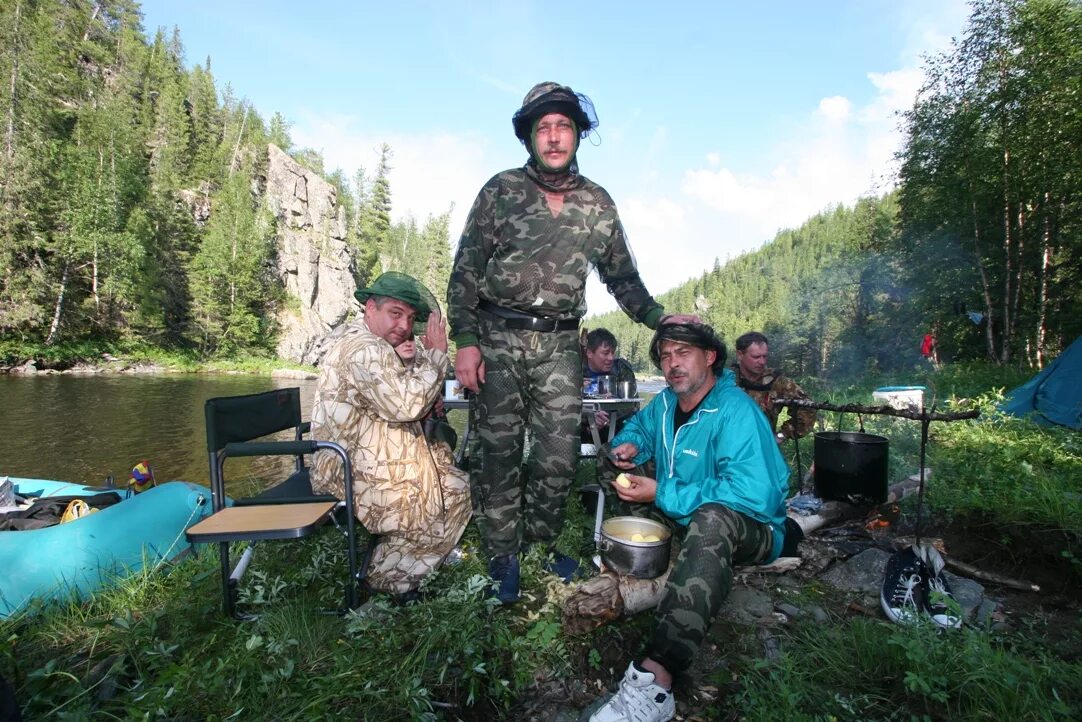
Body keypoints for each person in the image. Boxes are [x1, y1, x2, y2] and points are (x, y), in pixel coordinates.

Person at [447, 81, 668, 602]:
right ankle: (503, 552)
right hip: (498, 337)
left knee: (558, 455)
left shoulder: (597, 203)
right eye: (542, 127)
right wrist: (465, 341)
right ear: (528, 136)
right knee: (495, 451)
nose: (553, 136)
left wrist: (661, 317)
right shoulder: (499, 191)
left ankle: (542, 543)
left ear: (577, 133)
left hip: (561, 347)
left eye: (562, 126)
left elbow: (623, 277)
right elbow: (465, 274)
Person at [591, 323, 791, 722]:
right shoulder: (666, 403)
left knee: (712, 517)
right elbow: (639, 428)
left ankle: (657, 680)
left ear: (710, 357)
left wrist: (661, 492)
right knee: (608, 466)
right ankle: (651, 551)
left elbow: (754, 494)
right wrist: (625, 446)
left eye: (683, 353)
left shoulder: (736, 410)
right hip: (683, 515)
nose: (672, 364)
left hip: (756, 528)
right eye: (665, 356)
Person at [310, 272, 471, 601]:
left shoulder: (376, 345)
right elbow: (407, 404)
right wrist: (438, 353)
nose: (404, 325)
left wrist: (423, 358)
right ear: (371, 308)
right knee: (431, 496)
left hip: (368, 462)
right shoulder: (363, 348)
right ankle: (388, 580)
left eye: (410, 318)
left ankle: (394, 564)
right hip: (345, 469)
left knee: (457, 489)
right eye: (395, 314)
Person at [732, 331, 816, 444]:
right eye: (756, 357)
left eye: (764, 356)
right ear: (740, 354)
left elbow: (808, 407)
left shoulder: (777, 382)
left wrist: (782, 434)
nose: (762, 362)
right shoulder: (725, 380)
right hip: (727, 449)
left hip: (762, 450)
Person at [582, 327, 637, 444]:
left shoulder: (621, 368)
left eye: (613, 352)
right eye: (605, 353)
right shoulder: (575, 371)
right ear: (589, 353)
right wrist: (589, 418)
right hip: (582, 426)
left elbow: (632, 405)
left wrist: (605, 420)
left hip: (614, 426)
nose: (611, 358)